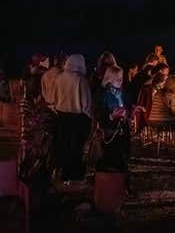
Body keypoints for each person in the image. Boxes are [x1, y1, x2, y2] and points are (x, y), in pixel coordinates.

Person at [52, 54, 93, 182]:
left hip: (61, 117)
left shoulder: (59, 78)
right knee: (76, 148)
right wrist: (90, 117)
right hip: (78, 119)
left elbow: (55, 98)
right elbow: (86, 103)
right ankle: (75, 176)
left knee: (63, 146)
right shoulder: (81, 80)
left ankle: (63, 174)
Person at [93, 66, 131, 182]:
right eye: (117, 78)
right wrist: (111, 116)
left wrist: (131, 111)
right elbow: (98, 113)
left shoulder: (122, 92)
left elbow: (127, 105)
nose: (120, 80)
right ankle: (106, 185)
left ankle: (121, 185)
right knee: (109, 159)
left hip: (122, 129)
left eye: (121, 77)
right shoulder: (102, 93)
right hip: (109, 132)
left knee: (123, 159)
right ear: (109, 78)